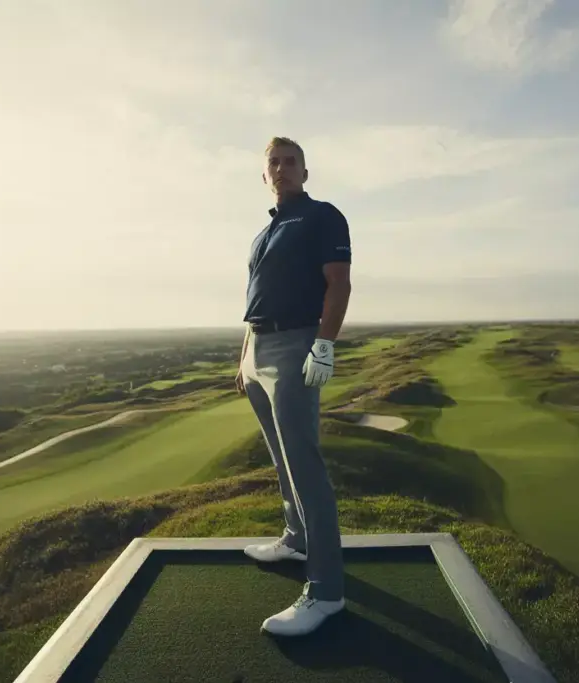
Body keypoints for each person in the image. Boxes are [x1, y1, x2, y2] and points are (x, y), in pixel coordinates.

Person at [235, 136, 353, 637]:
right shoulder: (265, 232)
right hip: (258, 349)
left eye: (291, 163)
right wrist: (243, 357)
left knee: (305, 465)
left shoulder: (322, 216)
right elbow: (255, 300)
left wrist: (324, 345)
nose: (282, 169)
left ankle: (326, 592)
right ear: (264, 175)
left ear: (305, 172)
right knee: (281, 458)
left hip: (296, 344)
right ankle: (296, 537)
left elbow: (339, 284)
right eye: (274, 163)